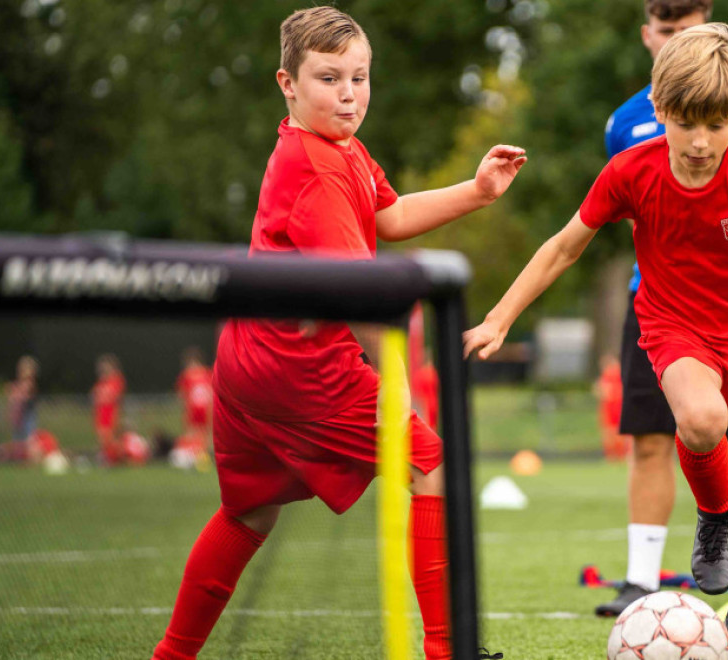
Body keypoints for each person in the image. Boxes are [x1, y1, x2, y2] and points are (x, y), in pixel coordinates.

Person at [464, 24, 728, 658]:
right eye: (686, 123)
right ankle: (713, 518)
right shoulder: (629, 171)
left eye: (717, 125)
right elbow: (563, 249)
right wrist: (500, 318)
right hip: (675, 327)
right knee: (699, 420)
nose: (700, 142)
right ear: (660, 109)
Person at [149, 8, 525, 660]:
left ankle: (171, 656)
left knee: (248, 514)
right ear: (287, 84)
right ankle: (447, 651)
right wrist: (398, 391)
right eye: (329, 78)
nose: (349, 93)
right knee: (430, 465)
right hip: (299, 366)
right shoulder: (319, 166)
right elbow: (366, 299)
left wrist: (478, 191)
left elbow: (393, 214)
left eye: (360, 76)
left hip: (245, 362)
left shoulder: (335, 147)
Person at [597, 0, 728, 619]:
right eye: (667, 32)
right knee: (652, 437)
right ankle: (641, 579)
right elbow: (611, 216)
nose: (678, 41)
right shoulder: (624, 124)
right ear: (648, 37)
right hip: (660, 306)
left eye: (690, 29)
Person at [175, 348, 214, 451]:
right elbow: (182, 396)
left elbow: (212, 394)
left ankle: (205, 453)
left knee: (207, 434)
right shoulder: (186, 376)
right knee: (192, 434)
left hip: (206, 411)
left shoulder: (208, 374)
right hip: (193, 411)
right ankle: (195, 452)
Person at [93, 354, 126, 465]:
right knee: (102, 437)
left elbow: (115, 396)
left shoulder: (116, 379)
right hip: (101, 412)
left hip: (111, 412)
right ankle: (108, 458)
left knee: (111, 437)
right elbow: (95, 395)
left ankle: (117, 458)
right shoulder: (101, 382)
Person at [596, 355, 629, 461]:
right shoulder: (608, 375)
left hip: (617, 408)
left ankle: (620, 455)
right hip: (609, 409)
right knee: (610, 433)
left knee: (618, 433)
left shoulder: (618, 374)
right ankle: (613, 455)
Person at [7, 356, 38, 448]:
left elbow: (29, 394)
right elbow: (13, 397)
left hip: (27, 412)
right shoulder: (18, 384)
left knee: (29, 434)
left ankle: (26, 452)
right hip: (19, 412)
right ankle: (18, 452)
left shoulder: (30, 383)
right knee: (17, 434)